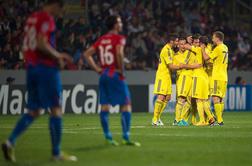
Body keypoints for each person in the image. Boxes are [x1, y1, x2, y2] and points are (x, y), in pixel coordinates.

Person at [1, 0, 77, 162]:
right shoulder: (46, 18)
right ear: (55, 5)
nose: (60, 13)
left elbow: (25, 46)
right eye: (60, 8)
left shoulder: (31, 19)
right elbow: (42, 43)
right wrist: (59, 56)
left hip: (32, 68)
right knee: (56, 108)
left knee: (34, 111)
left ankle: (10, 141)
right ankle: (56, 153)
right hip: (46, 69)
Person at [84, 15, 140, 146]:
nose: (121, 24)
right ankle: (126, 136)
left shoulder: (101, 39)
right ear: (115, 25)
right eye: (119, 22)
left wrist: (97, 69)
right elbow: (119, 53)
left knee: (105, 105)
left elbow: (87, 54)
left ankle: (108, 136)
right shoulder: (119, 38)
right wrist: (121, 70)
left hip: (103, 75)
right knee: (126, 104)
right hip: (115, 74)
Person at [152, 34, 181, 126]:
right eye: (176, 41)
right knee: (161, 96)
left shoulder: (170, 50)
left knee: (167, 97)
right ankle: (155, 119)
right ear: (171, 41)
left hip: (167, 76)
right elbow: (171, 66)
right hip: (162, 76)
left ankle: (157, 118)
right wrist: (183, 66)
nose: (177, 43)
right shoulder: (166, 50)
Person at [201, 31, 228, 126]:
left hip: (217, 76)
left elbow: (205, 58)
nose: (212, 39)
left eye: (213, 37)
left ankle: (220, 121)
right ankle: (221, 120)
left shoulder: (218, 48)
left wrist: (203, 49)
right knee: (220, 99)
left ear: (217, 38)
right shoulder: (225, 47)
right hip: (224, 76)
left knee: (216, 98)